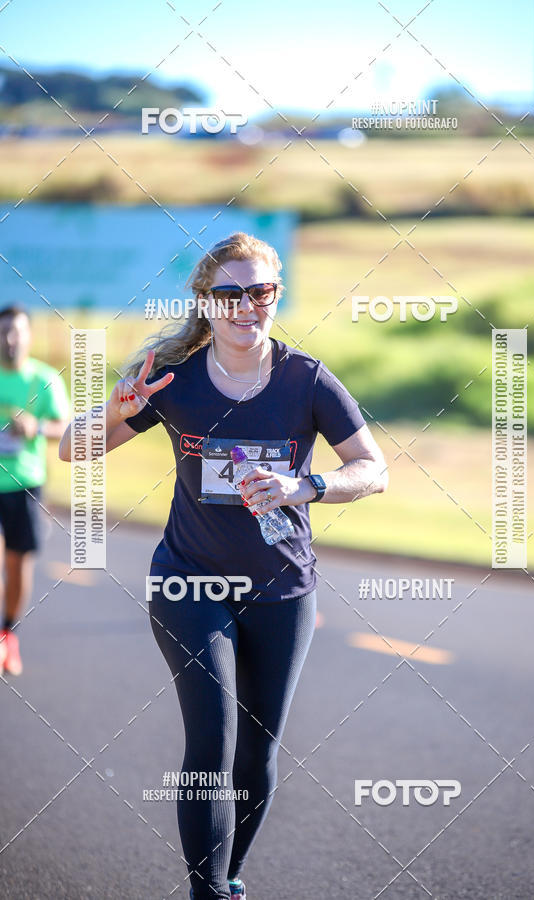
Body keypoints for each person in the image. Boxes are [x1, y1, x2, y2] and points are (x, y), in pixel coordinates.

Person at [59, 232, 388, 899]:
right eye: (229, 294)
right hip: (189, 579)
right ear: (206, 302)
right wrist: (113, 411)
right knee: (212, 737)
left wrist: (307, 487)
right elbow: (72, 449)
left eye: (259, 292)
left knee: (258, 750)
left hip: (282, 586)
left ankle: (227, 875)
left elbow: (373, 470)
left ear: (276, 296)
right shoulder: (172, 376)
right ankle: (206, 890)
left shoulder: (307, 380)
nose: (245, 307)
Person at [0, 305, 70, 676]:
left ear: (28, 336)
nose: (10, 339)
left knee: (17, 562)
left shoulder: (43, 379)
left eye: (17, 331)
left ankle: (7, 635)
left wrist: (36, 428)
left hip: (23, 484)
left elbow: (68, 427)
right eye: (4, 332)